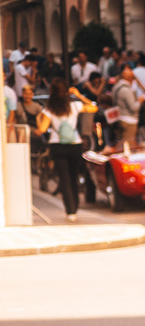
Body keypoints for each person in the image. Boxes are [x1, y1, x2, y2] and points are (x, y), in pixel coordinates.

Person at [37, 78, 87, 221]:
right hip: (75, 145)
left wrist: (40, 116)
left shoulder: (49, 109)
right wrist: (78, 95)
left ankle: (70, 211)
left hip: (57, 146)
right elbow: (93, 108)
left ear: (52, 93)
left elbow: (42, 129)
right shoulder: (75, 106)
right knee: (73, 177)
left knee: (64, 178)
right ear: (66, 92)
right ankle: (75, 207)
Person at [111, 67, 142, 149]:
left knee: (121, 144)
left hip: (119, 118)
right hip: (129, 121)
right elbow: (133, 108)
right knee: (129, 146)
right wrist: (140, 101)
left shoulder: (115, 87)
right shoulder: (126, 90)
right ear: (130, 78)